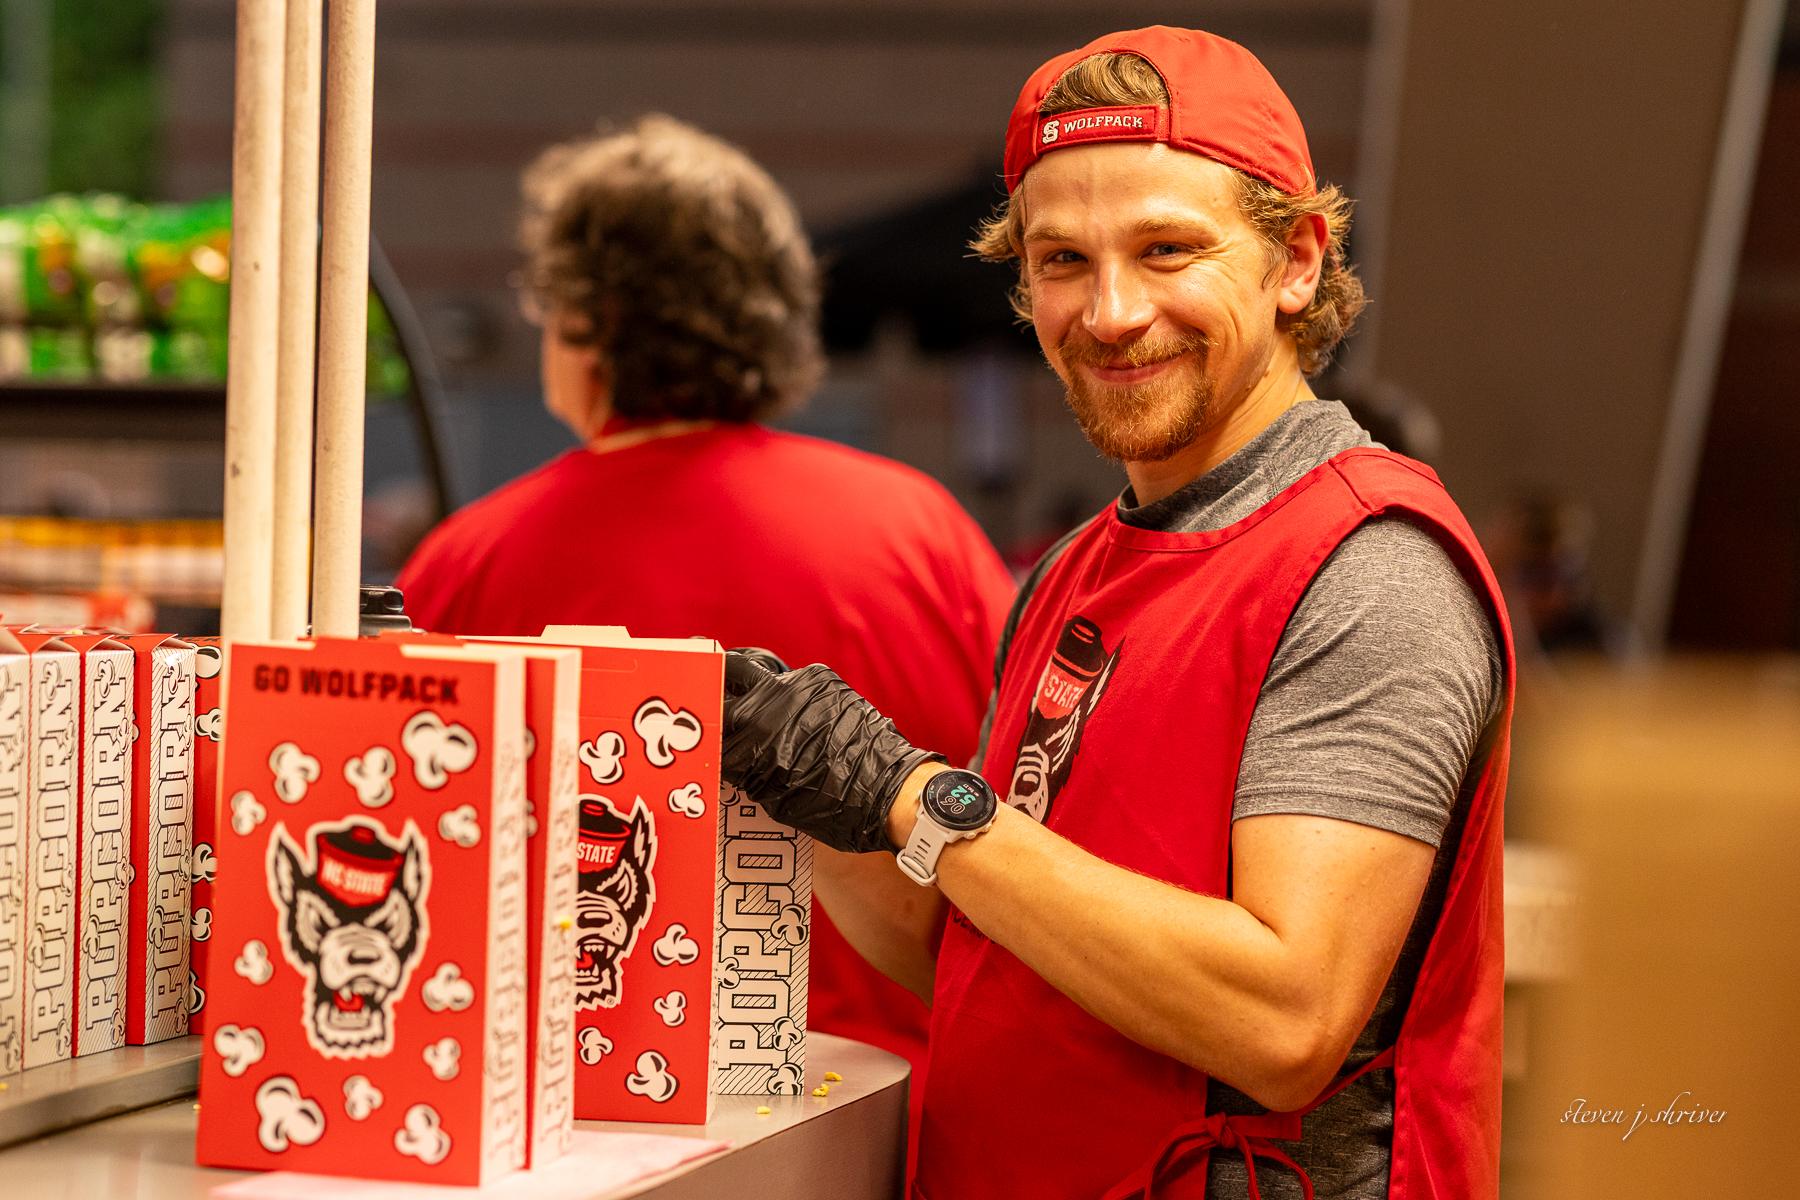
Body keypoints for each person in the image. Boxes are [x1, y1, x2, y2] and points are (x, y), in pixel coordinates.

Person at [717, 27, 1511, 1200]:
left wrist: (911, 792)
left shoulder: (1367, 565)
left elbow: (1284, 1021)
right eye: (1063, 261)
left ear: (1296, 261)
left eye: (1167, 248)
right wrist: (806, 789)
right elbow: (977, 951)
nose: (1111, 311)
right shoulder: (1074, 570)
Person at [394, 115, 1017, 1152]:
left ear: (587, 322)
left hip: (571, 1128)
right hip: (892, 1122)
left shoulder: (468, 563)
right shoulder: (922, 533)